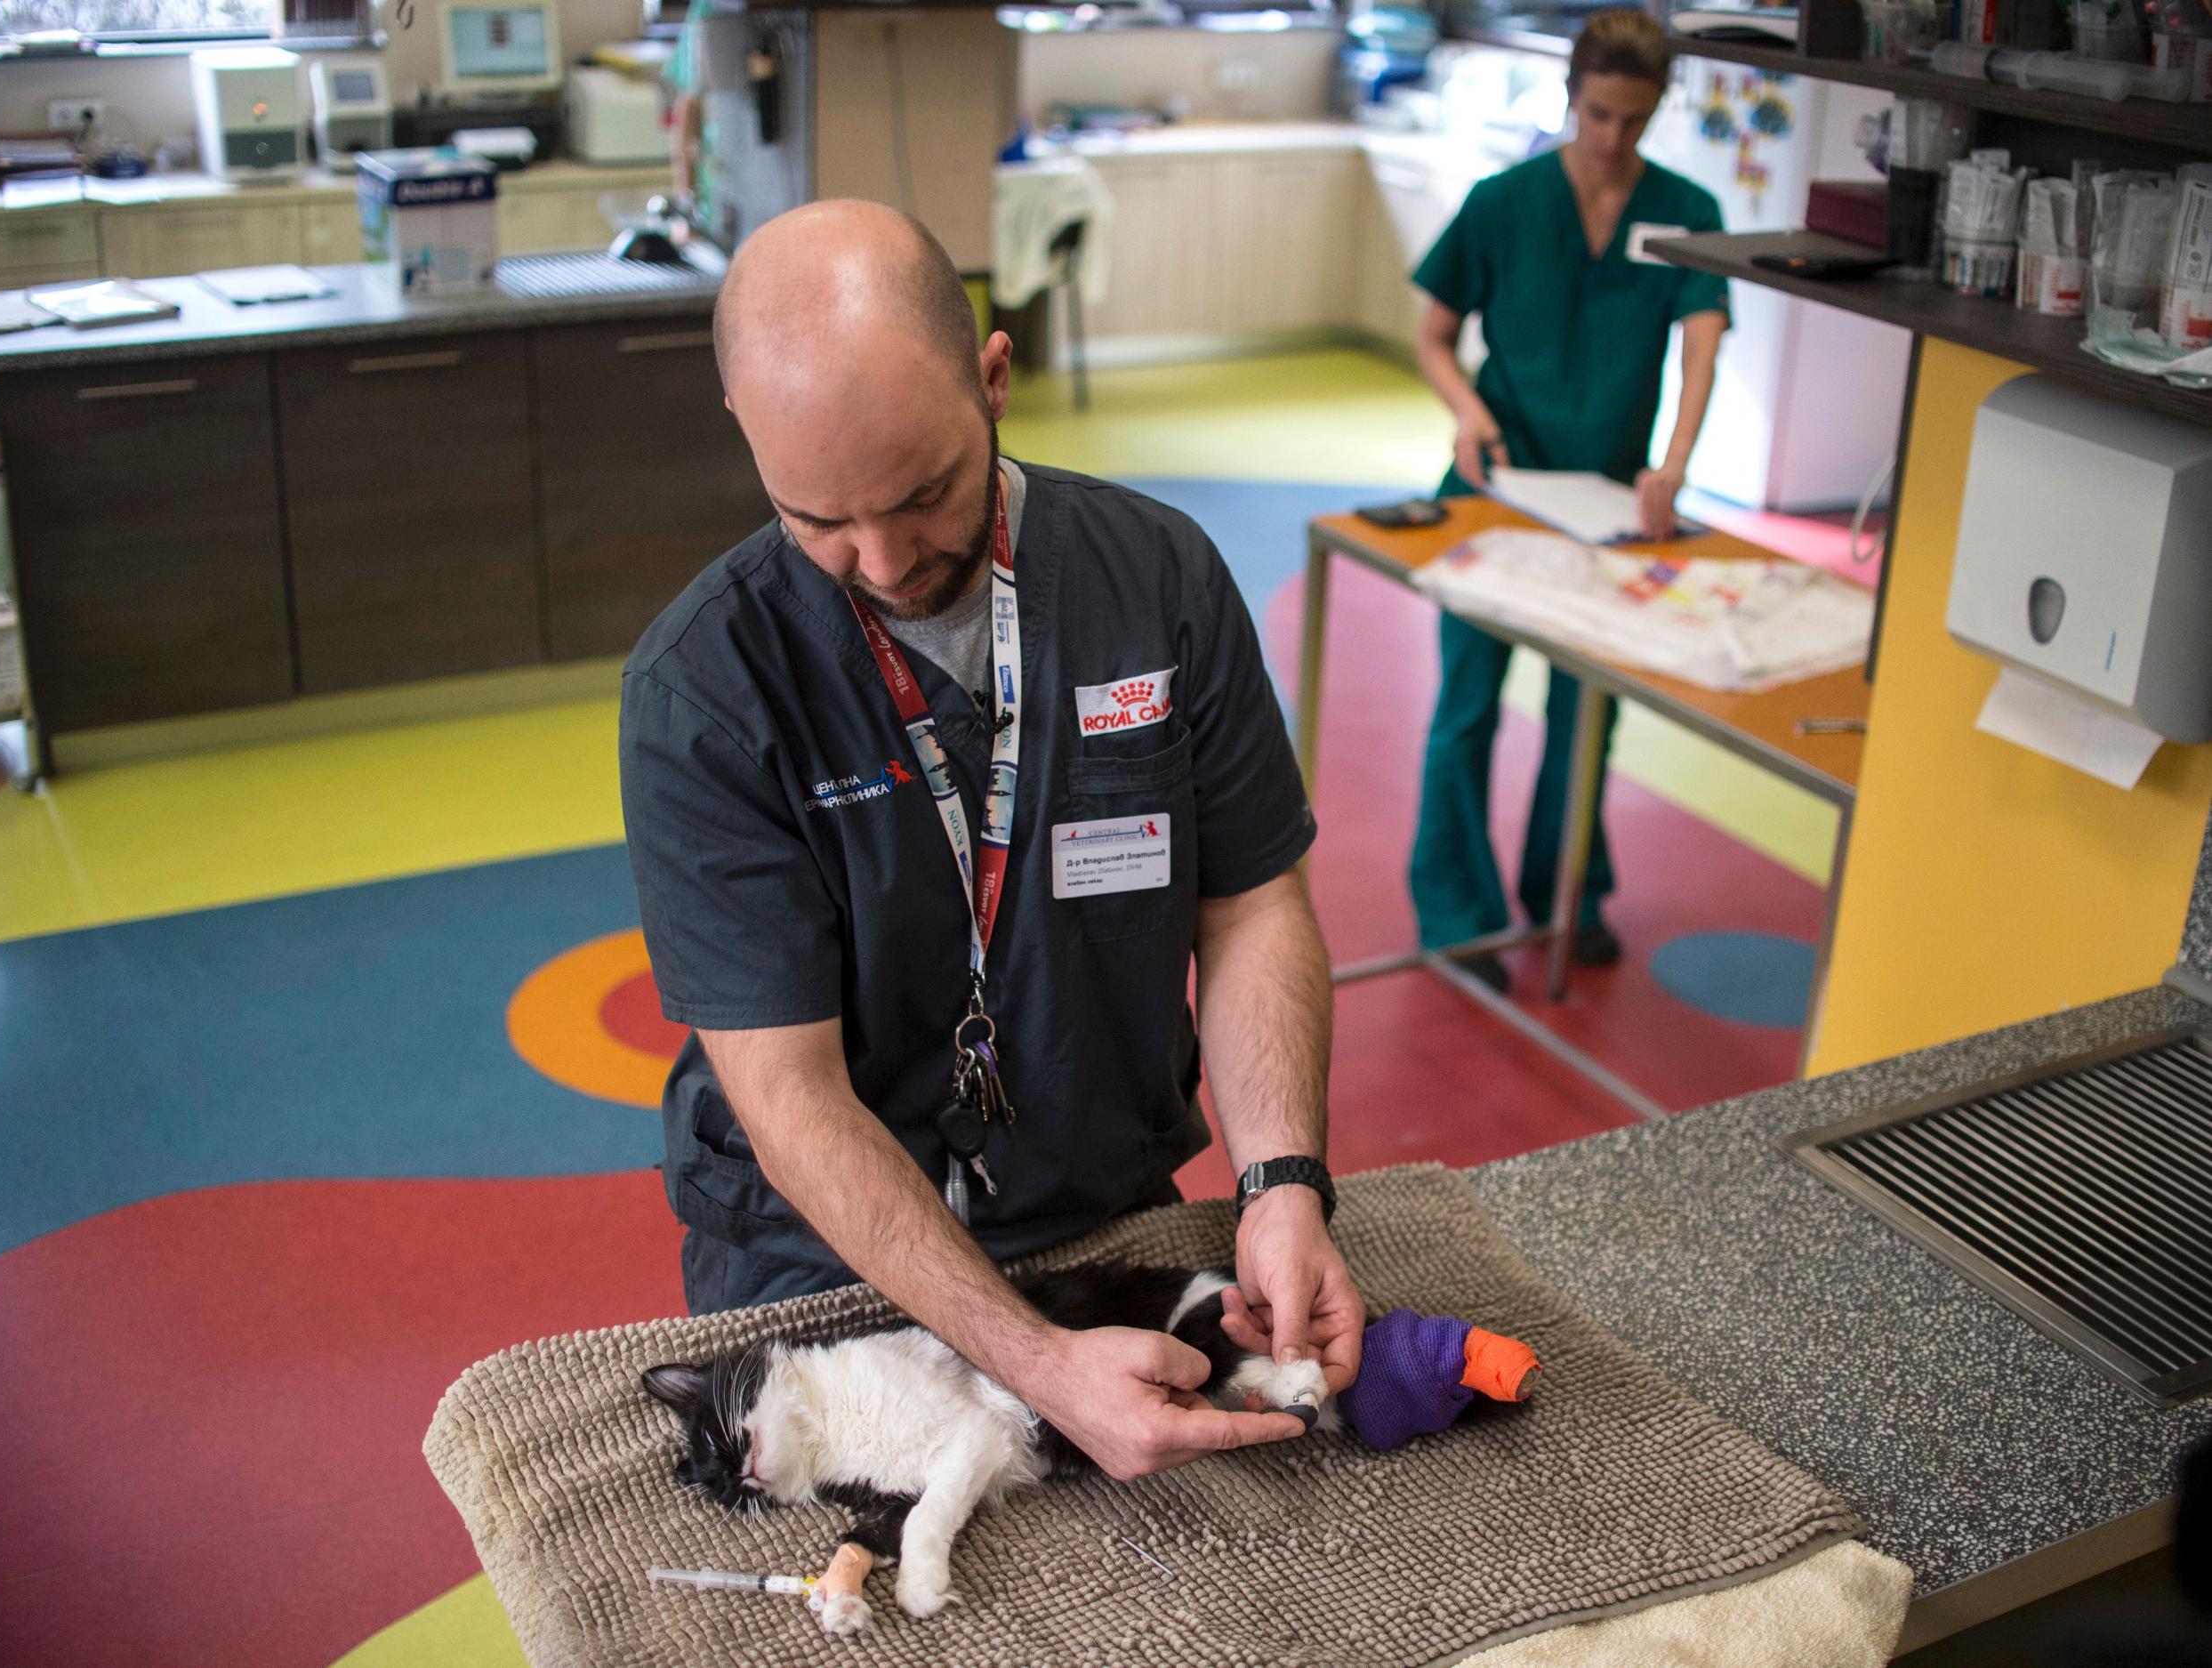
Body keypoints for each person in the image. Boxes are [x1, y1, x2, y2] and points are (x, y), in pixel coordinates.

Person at [618, 200, 1364, 1482]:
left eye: (923, 493)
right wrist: (1032, 1359)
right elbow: (788, 1090)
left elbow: (1250, 903)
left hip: (1099, 1193)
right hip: (820, 1250)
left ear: (995, 378)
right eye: (821, 520)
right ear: (748, 437)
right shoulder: (704, 691)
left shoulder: (1159, 580)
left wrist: (1281, 1179)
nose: (887, 558)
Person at [1406, 9, 1729, 987]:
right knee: (1467, 706)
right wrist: (1465, 410)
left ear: (1656, 112)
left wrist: (1670, 468)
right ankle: (1459, 919)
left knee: (1586, 712)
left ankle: (1567, 894)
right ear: (1569, 98)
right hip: (1491, 484)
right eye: (1595, 115)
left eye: (1632, 122)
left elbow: (1702, 346)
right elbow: (1431, 333)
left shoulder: (1685, 210)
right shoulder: (1503, 200)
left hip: (1607, 502)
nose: (1609, 140)